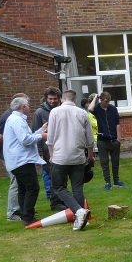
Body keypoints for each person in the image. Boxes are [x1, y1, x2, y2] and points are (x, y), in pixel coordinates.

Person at [46, 90, 94, 231]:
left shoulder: (54, 112)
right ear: (75, 100)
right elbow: (90, 139)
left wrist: (51, 155)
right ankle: (79, 217)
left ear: (62, 99)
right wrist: (90, 156)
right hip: (78, 157)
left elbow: (50, 137)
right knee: (77, 188)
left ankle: (78, 212)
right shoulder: (82, 113)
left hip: (60, 157)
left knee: (58, 187)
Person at [3, 96, 48, 227]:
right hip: (22, 160)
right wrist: (42, 136)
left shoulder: (14, 119)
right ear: (23, 107)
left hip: (17, 160)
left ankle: (25, 214)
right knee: (32, 188)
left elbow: (26, 137)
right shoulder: (17, 120)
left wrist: (40, 130)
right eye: (28, 105)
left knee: (23, 188)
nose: (29, 107)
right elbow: (25, 140)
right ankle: (28, 217)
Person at [0, 93, 30, 221]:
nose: (28, 105)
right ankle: (12, 212)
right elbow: (0, 138)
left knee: (20, 183)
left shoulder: (13, 116)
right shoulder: (9, 117)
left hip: (11, 154)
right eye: (26, 103)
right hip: (10, 156)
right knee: (15, 183)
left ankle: (22, 209)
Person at [30, 87, 66, 210]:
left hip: (61, 148)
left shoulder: (61, 110)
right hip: (46, 151)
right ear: (45, 98)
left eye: (55, 99)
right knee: (54, 177)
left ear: (59, 99)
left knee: (61, 176)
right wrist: (40, 153)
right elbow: (35, 134)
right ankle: (55, 202)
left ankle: (61, 200)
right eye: (50, 99)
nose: (52, 101)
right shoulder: (39, 113)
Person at [92, 91, 125, 190]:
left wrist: (118, 139)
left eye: (108, 101)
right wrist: (95, 98)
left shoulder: (113, 109)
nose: (107, 103)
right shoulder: (97, 109)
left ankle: (116, 180)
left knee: (115, 162)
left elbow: (117, 123)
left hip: (114, 139)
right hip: (102, 140)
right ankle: (107, 182)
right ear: (101, 100)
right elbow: (90, 108)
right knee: (104, 162)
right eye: (106, 101)